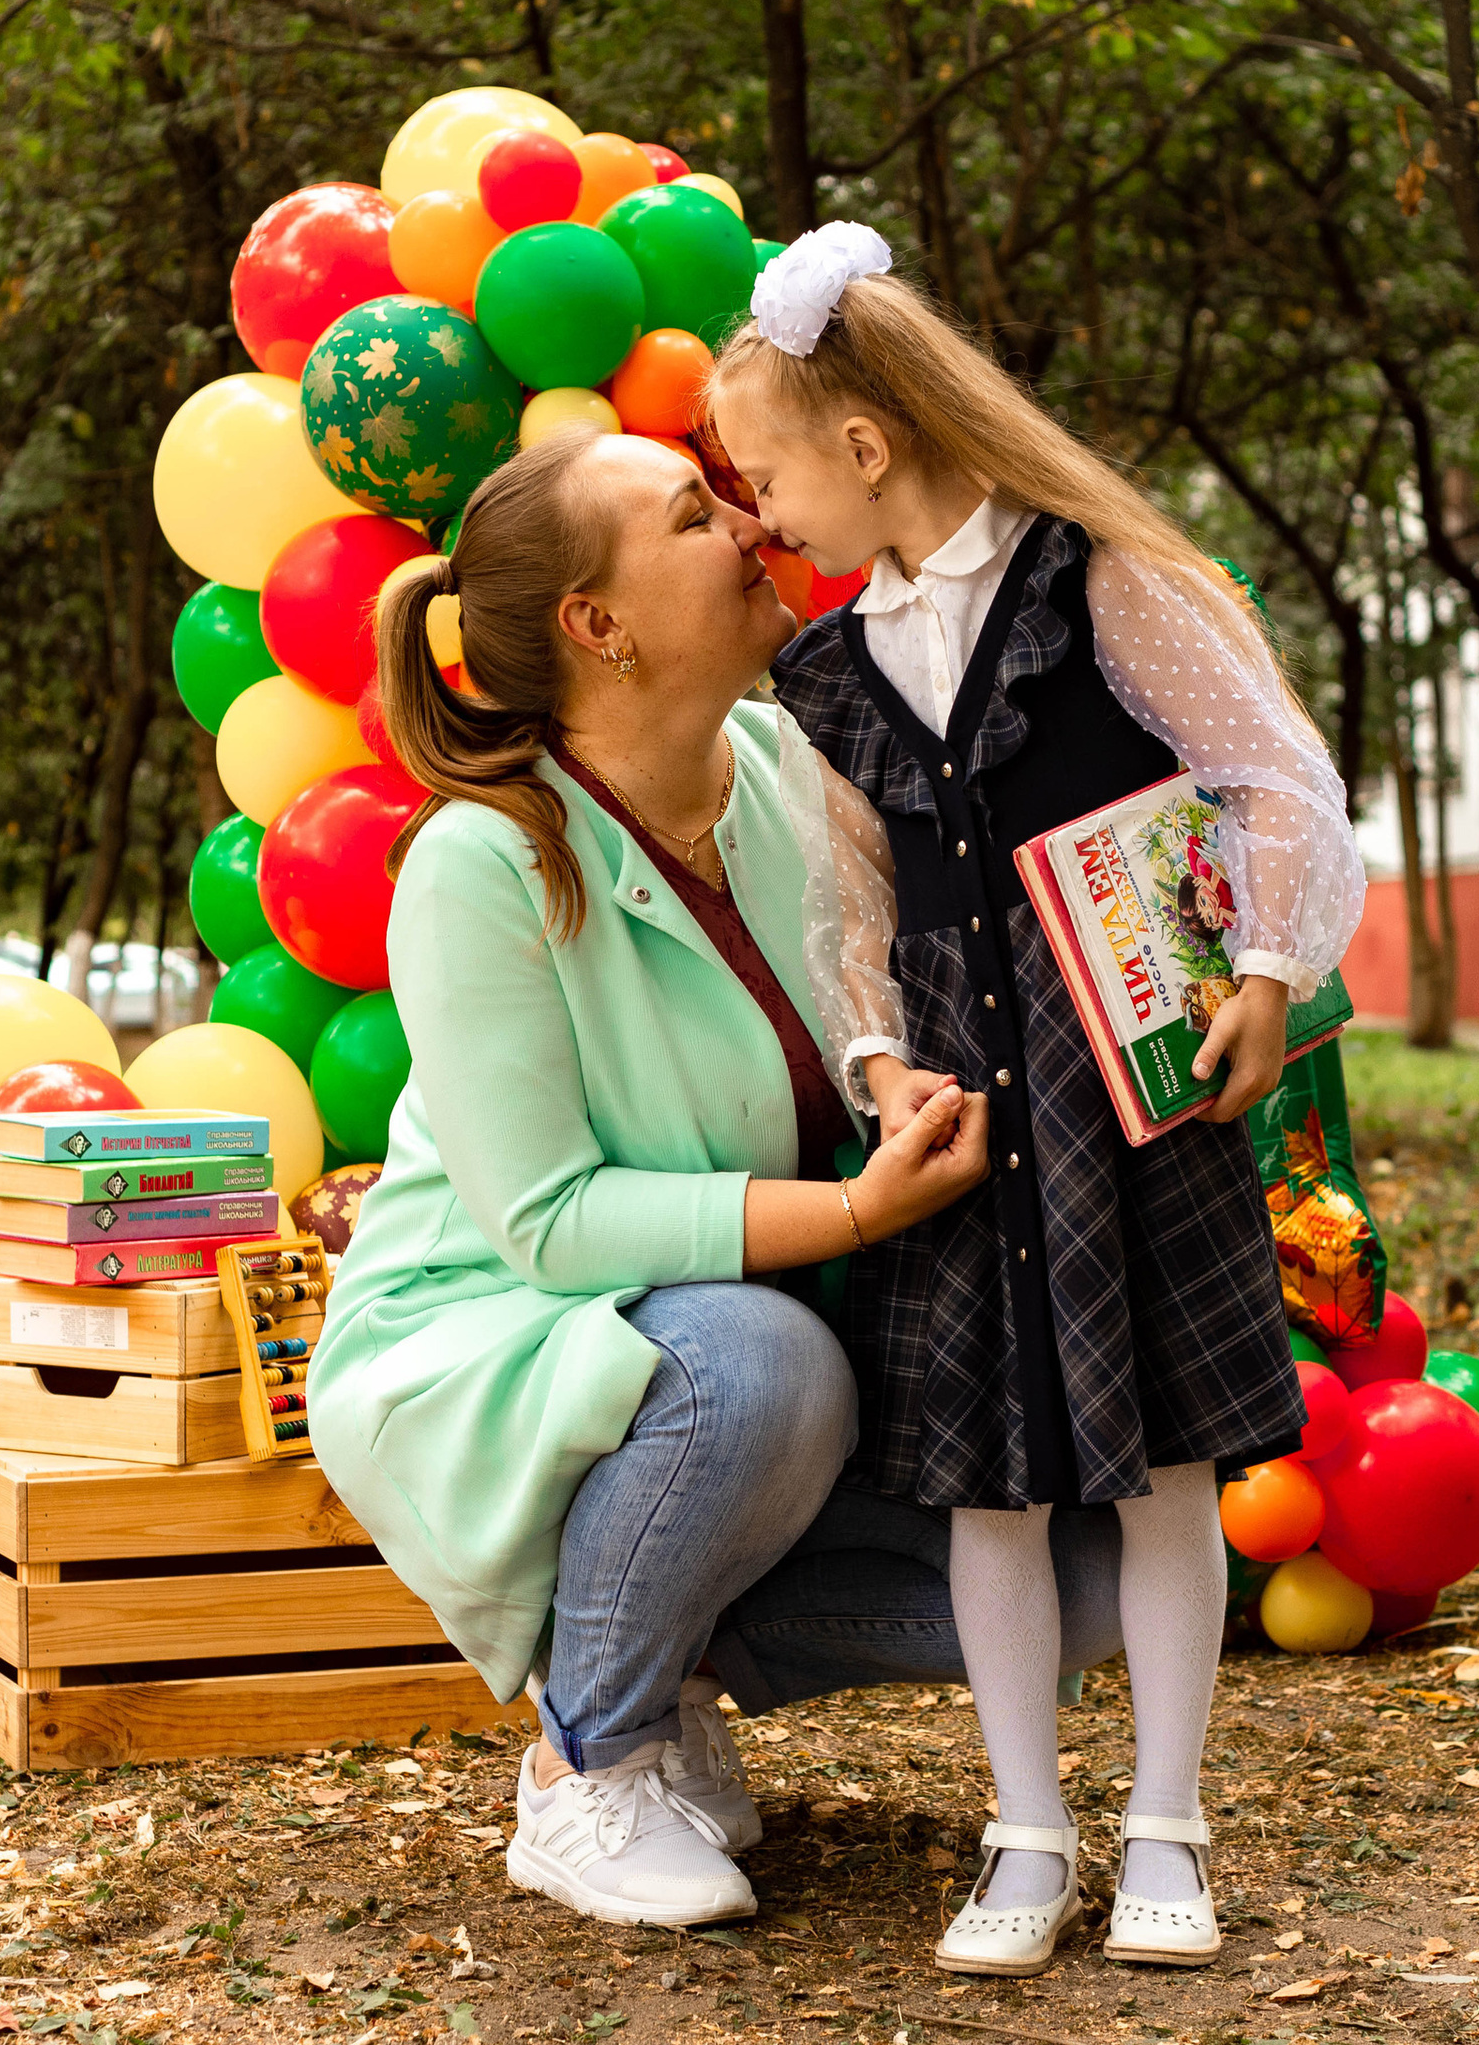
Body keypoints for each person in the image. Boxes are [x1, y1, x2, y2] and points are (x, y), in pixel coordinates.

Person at [706, 223, 1366, 1976]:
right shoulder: (834, 668)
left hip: (1127, 1083)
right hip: (971, 1114)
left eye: (768, 473)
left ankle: (1167, 1824)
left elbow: (1274, 775)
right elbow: (852, 903)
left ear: (866, 446)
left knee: (1164, 1470)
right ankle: (1026, 1828)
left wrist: (1263, 972)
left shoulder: (1101, 580)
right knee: (985, 1482)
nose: (761, 513)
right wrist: (873, 1063)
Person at [310, 425, 991, 1931]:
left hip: (747, 1330)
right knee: (761, 1365)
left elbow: (886, 1003)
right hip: (494, 1332)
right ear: (596, 624)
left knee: (1068, 1569)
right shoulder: (481, 861)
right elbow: (549, 1222)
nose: (749, 525)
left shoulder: (784, 765)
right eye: (694, 516)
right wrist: (855, 1212)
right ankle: (590, 1764)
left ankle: (666, 1653)